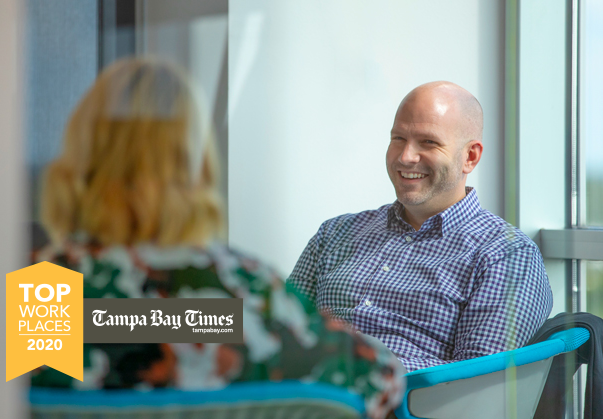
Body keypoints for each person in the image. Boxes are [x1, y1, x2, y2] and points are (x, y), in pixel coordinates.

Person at [30, 57, 404, 418]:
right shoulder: (247, 289)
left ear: (79, 164)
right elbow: (381, 377)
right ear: (198, 164)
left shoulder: (38, 295)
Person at [288, 81, 553, 372]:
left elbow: (476, 383)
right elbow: (270, 323)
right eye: (398, 138)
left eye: (428, 142)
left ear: (470, 157)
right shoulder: (335, 233)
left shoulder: (506, 254)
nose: (405, 157)